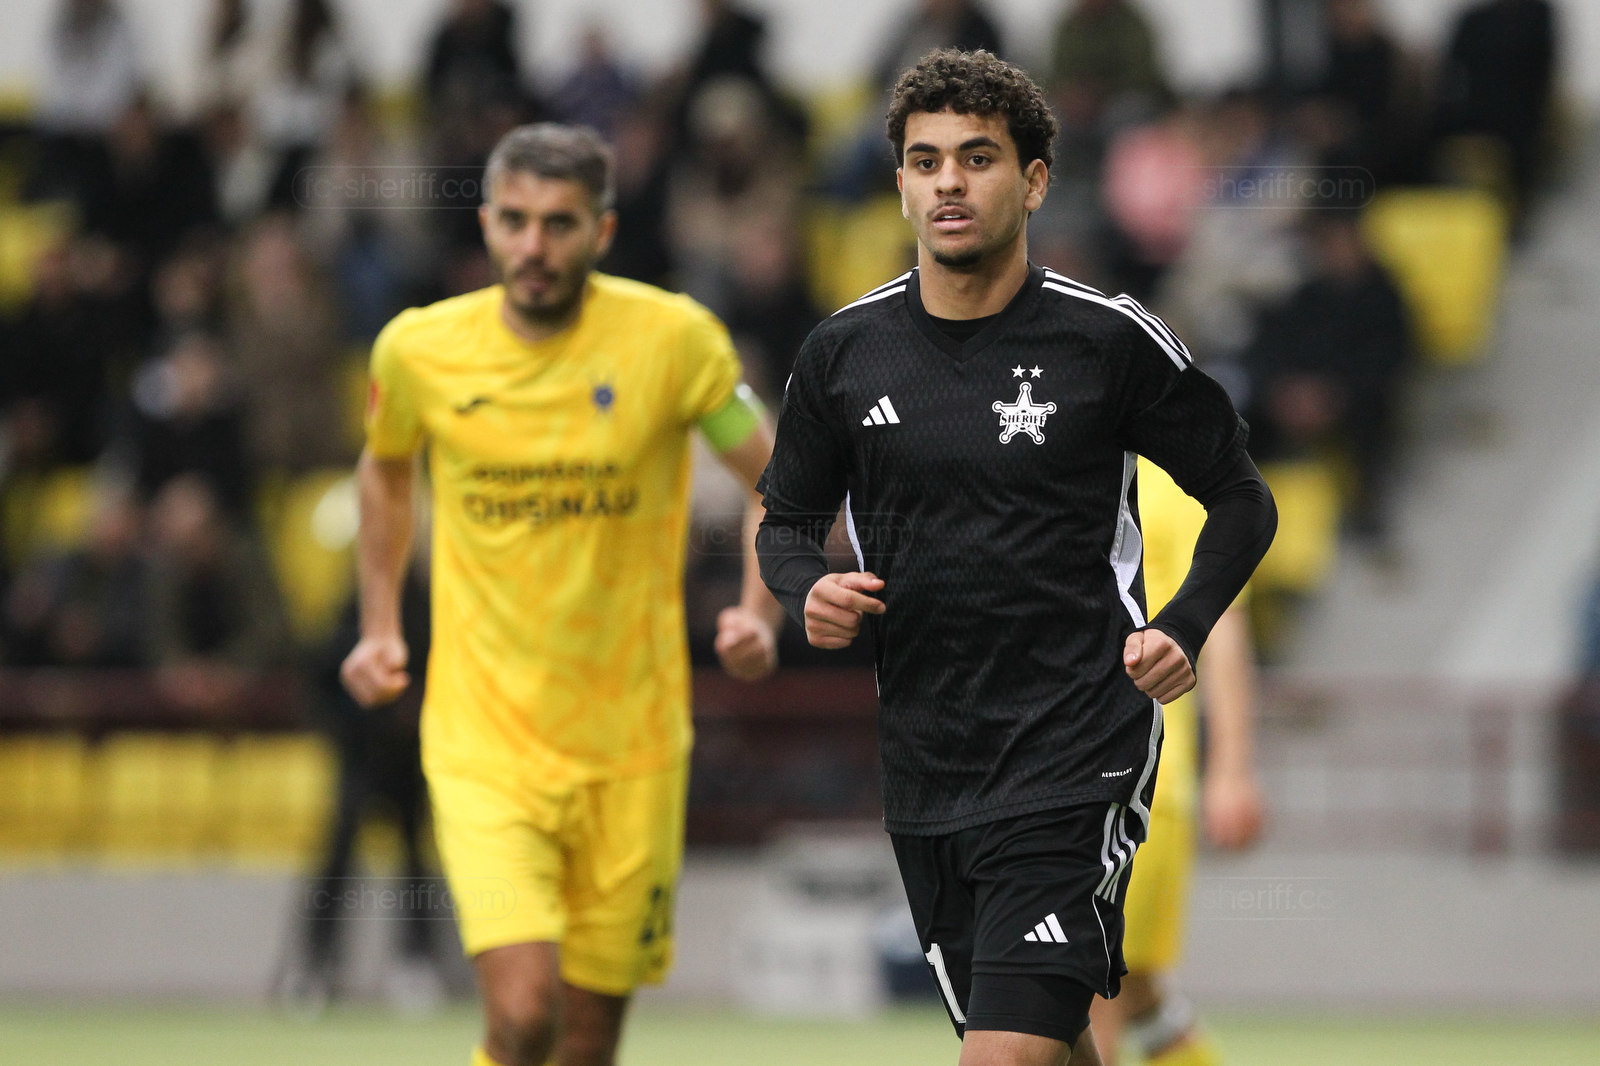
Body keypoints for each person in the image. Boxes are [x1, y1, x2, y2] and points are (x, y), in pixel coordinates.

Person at [755, 50, 1276, 1066]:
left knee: (1001, 1055)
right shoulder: (842, 355)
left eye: (978, 158)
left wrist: (1182, 624)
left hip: (1077, 752)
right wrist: (803, 586)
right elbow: (783, 520)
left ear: (1034, 181)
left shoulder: (1106, 341)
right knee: (1056, 1044)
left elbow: (1241, 496)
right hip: (928, 765)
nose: (948, 182)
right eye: (925, 162)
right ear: (900, 184)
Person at [341, 123, 782, 1066]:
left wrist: (759, 608)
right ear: (486, 224)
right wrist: (379, 625)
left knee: (586, 1041)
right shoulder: (418, 351)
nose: (533, 246)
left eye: (559, 223)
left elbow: (775, 481)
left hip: (633, 746)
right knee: (523, 1013)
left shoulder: (674, 341)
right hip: (486, 744)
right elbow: (385, 469)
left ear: (603, 231)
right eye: (514, 221)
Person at [1086, 460, 1266, 1066]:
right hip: (1075, 768)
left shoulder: (1181, 476)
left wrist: (1232, 771)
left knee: (1090, 989)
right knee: (1137, 991)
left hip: (1142, 781)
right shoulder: (1068, 454)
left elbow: (1225, 629)